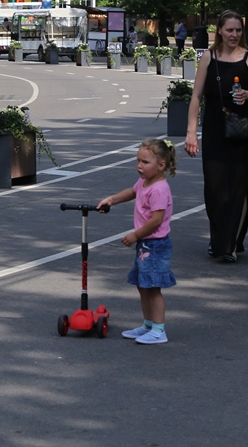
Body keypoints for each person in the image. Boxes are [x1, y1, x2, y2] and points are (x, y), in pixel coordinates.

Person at [184, 11, 248, 262]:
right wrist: (191, 132)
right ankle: (219, 238)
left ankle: (229, 245)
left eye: (238, 30)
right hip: (214, 129)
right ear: (219, 30)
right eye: (229, 30)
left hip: (242, 128)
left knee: (239, 187)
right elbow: (196, 96)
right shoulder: (209, 57)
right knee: (215, 188)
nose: (234, 35)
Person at [97, 138, 177, 344]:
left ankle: (159, 330)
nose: (139, 166)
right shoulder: (145, 182)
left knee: (153, 287)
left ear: (161, 165)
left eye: (145, 162)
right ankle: (148, 324)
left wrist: (136, 235)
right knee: (143, 285)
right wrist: (112, 199)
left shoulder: (159, 189)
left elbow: (157, 220)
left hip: (156, 244)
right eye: (138, 160)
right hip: (146, 244)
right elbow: (133, 192)